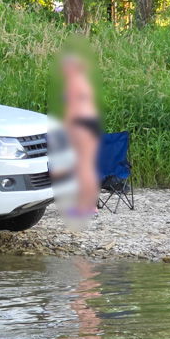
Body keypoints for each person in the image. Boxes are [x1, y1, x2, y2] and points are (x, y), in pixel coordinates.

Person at [61, 54, 101, 218]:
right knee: (88, 166)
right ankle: (91, 205)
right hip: (91, 123)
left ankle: (85, 206)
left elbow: (73, 109)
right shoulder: (83, 81)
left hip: (81, 124)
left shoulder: (73, 82)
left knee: (82, 166)